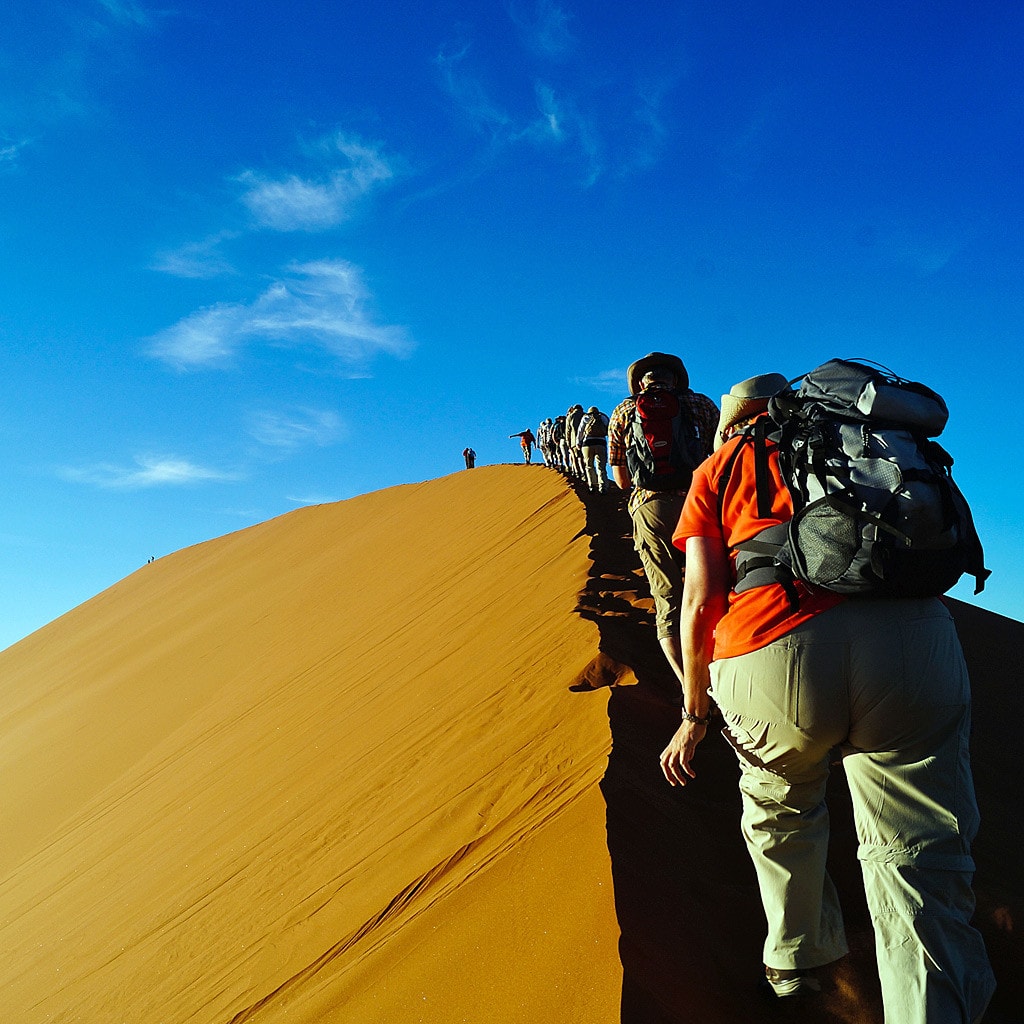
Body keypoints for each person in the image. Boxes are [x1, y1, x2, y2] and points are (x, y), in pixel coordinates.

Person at [661, 373, 996, 1022]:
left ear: (732, 421)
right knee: (918, 853)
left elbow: (699, 599)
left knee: (781, 815)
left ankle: (797, 963)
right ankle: (935, 1008)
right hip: (913, 646)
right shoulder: (868, 444)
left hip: (772, 656)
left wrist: (693, 714)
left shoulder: (720, 466)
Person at [608, 351, 719, 683]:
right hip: (699, 505)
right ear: (675, 379)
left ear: (641, 382)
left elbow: (621, 479)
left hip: (650, 507)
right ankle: (726, 675)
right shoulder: (701, 404)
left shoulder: (624, 411)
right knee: (710, 592)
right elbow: (721, 454)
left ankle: (692, 690)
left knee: (667, 599)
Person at [578, 405, 610, 493]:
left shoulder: (585, 418)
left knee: (589, 466)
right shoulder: (603, 417)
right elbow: (609, 430)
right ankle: (603, 486)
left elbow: (580, 431)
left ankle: (592, 485)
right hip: (601, 443)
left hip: (587, 443)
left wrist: (578, 443)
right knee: (601, 466)